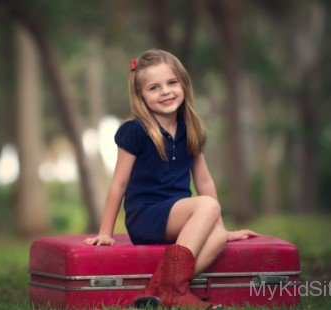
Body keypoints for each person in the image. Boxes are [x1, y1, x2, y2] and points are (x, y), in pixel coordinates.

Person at [83, 49, 258, 309]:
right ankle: (174, 290)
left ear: (183, 85)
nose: (165, 91)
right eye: (154, 87)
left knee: (219, 236)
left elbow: (205, 182)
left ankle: (158, 289)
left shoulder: (191, 129)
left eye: (171, 83)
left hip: (179, 218)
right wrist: (106, 232)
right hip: (146, 217)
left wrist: (218, 227)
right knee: (208, 204)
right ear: (141, 95)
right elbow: (118, 184)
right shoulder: (135, 131)